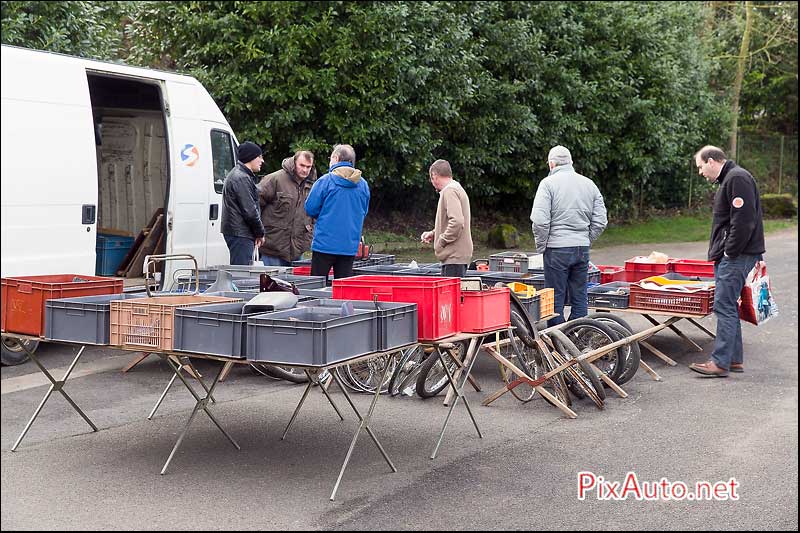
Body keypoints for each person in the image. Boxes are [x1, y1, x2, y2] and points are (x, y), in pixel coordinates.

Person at [689, 145, 765, 378]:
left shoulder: (737, 178)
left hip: (737, 255)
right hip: (735, 254)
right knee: (729, 305)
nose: (701, 172)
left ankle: (720, 363)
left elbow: (743, 221)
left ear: (712, 161)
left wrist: (730, 252)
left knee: (723, 304)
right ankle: (733, 360)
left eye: (701, 167)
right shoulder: (730, 179)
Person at [530, 145, 607, 327]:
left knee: (554, 296)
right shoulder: (589, 184)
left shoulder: (547, 184)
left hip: (556, 249)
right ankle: (579, 335)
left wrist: (542, 246)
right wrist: (585, 239)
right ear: (571, 162)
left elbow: (540, 221)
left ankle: (558, 341)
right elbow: (601, 220)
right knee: (580, 295)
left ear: (551, 164)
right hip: (581, 248)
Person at [304, 144, 370, 280]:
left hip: (324, 244)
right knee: (343, 289)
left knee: (316, 286)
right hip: (349, 245)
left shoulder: (325, 181)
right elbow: (364, 211)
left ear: (335, 158)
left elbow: (310, 208)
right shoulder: (362, 184)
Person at [257, 150, 317, 266]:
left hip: (297, 249)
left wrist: (310, 234)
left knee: (294, 283)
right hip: (272, 248)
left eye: (308, 167)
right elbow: (255, 205)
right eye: (302, 165)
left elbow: (315, 213)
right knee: (270, 283)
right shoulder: (275, 179)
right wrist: (258, 232)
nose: (305, 170)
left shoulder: (313, 185)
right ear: (294, 163)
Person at [420, 159, 473, 277]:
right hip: (457, 256)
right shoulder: (456, 188)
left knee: (450, 295)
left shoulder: (449, 191)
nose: (432, 182)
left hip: (454, 256)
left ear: (435, 175)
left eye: (431, 178)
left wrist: (442, 240)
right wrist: (434, 233)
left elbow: (457, 222)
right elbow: (453, 220)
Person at [220, 141, 266, 265]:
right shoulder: (241, 178)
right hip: (240, 233)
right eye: (259, 157)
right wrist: (260, 233)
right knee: (242, 273)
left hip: (239, 232)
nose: (262, 160)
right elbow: (250, 211)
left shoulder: (241, 175)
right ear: (250, 157)